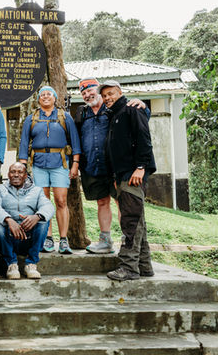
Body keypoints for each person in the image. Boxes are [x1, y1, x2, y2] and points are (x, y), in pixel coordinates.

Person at [75, 78, 148, 254]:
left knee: (121, 202)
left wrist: (144, 106)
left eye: (90, 90)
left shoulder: (114, 108)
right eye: (83, 93)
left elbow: (138, 117)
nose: (87, 95)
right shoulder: (82, 113)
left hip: (115, 167)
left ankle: (127, 240)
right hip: (93, 165)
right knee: (102, 202)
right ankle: (105, 240)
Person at [101, 80, 156, 281]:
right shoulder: (115, 114)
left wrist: (141, 167)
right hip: (123, 175)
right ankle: (144, 265)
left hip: (134, 173)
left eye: (111, 94)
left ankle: (129, 268)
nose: (107, 98)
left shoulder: (132, 109)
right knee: (138, 218)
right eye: (104, 95)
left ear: (120, 92)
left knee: (130, 221)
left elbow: (144, 137)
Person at [18, 86, 81, 254]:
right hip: (38, 165)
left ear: (54, 98)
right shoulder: (31, 119)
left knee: (61, 201)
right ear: (39, 100)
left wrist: (75, 163)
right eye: (42, 95)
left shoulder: (65, 117)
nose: (45, 96)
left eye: (49, 94)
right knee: (43, 202)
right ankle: (47, 238)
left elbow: (75, 142)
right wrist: (22, 166)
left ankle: (63, 239)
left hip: (60, 163)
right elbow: (24, 143)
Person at [0, 162, 54, 279]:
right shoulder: (0, 188)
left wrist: (37, 216)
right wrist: (8, 219)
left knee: (44, 221)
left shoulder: (37, 190)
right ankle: (11, 264)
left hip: (28, 238)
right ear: (8, 174)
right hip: (8, 237)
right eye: (13, 172)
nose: (16, 175)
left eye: (20, 172)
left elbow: (48, 207)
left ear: (25, 176)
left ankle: (31, 263)